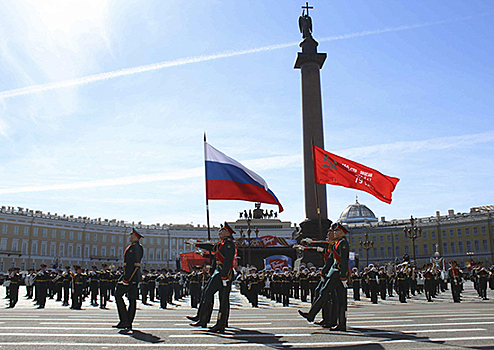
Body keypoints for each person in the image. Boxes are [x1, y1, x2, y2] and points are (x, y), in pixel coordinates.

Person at [187, 222, 237, 333]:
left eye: (222, 231)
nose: (219, 233)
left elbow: (228, 261)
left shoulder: (229, 244)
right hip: (218, 272)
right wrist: (197, 244)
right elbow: (211, 247)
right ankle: (203, 319)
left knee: (218, 297)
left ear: (227, 233)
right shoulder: (222, 243)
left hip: (224, 273)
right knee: (207, 292)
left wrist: (224, 276)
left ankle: (217, 323)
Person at [299, 222, 350, 331]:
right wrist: (324, 272)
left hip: (338, 272)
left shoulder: (343, 244)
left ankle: (312, 315)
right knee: (339, 299)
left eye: (336, 231)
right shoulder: (336, 244)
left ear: (342, 233)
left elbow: (344, 261)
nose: (334, 233)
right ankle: (340, 323)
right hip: (334, 271)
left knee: (327, 293)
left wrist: (343, 277)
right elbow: (330, 257)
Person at [113, 228, 144, 331]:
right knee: (131, 299)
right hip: (131, 276)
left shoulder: (135, 248)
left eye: (131, 235)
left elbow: (133, 265)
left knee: (119, 295)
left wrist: (126, 279)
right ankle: (127, 321)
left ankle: (125, 320)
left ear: (135, 237)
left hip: (131, 276)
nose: (129, 237)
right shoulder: (133, 247)